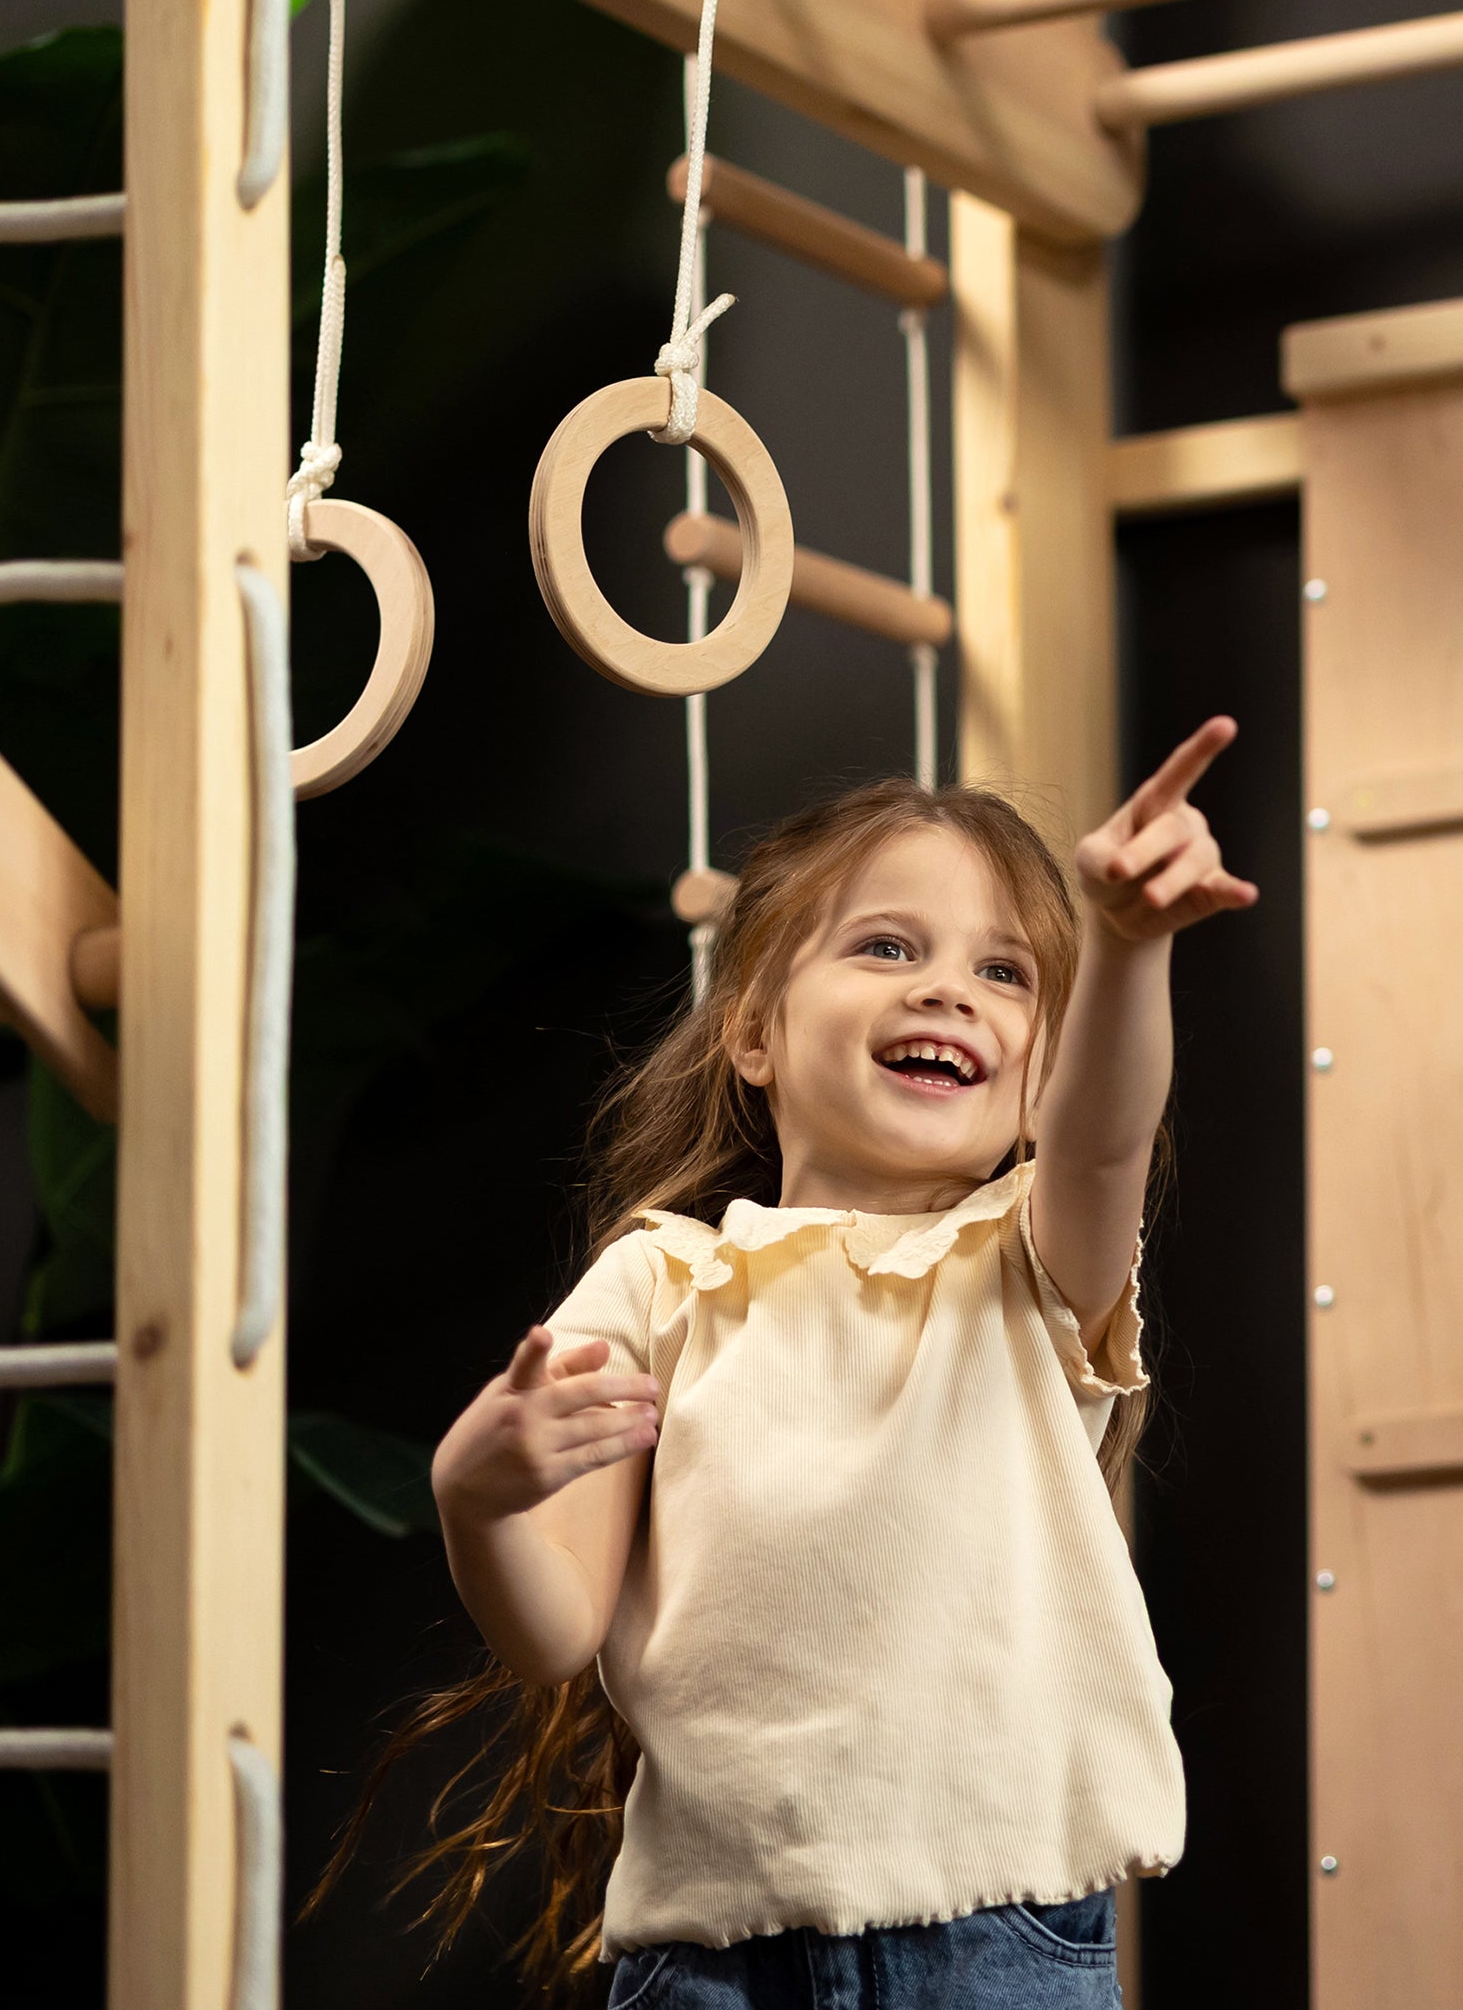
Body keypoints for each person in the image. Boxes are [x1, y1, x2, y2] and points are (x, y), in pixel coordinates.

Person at [347, 725, 1256, 2006]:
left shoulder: (1028, 1265)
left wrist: (1124, 939)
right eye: (887, 945)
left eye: (1005, 973)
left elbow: (1108, 1139)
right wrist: (474, 1498)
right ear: (754, 1031)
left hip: (997, 1950)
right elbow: (555, 1632)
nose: (948, 989)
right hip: (714, 1964)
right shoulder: (660, 1284)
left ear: (1041, 1070)